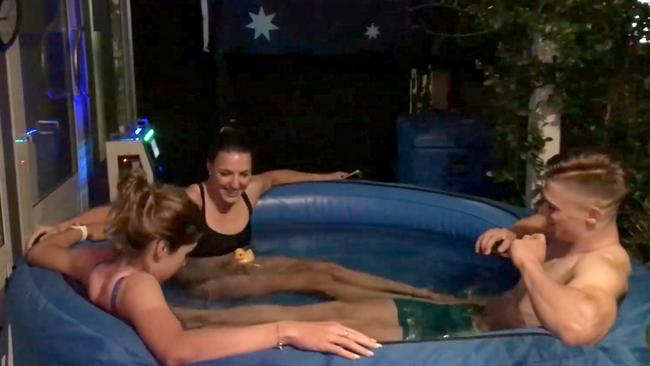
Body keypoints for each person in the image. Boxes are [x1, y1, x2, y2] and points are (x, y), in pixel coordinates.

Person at [172, 151, 632, 346]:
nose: (543, 216)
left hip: (463, 339)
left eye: (553, 209)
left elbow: (578, 328)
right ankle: (190, 318)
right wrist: (515, 233)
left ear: (591, 217)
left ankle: (186, 323)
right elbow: (532, 224)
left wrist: (529, 266)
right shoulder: (568, 233)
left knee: (316, 321)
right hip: (467, 312)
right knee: (325, 283)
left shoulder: (604, 267)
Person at [27, 127, 447, 304]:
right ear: (209, 168)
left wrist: (326, 175)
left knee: (324, 266)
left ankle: (424, 296)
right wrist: (66, 227)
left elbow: (278, 177)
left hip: (244, 267)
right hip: (206, 283)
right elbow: (122, 211)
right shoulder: (190, 199)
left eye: (242, 174)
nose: (234, 183)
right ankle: (413, 309)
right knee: (314, 280)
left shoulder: (251, 190)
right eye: (226, 173)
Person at [26, 172, 381, 364]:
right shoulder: (139, 286)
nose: (183, 263)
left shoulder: (96, 263)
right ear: (161, 248)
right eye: (183, 255)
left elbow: (40, 252)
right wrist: (286, 330)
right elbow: (176, 351)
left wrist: (76, 230)